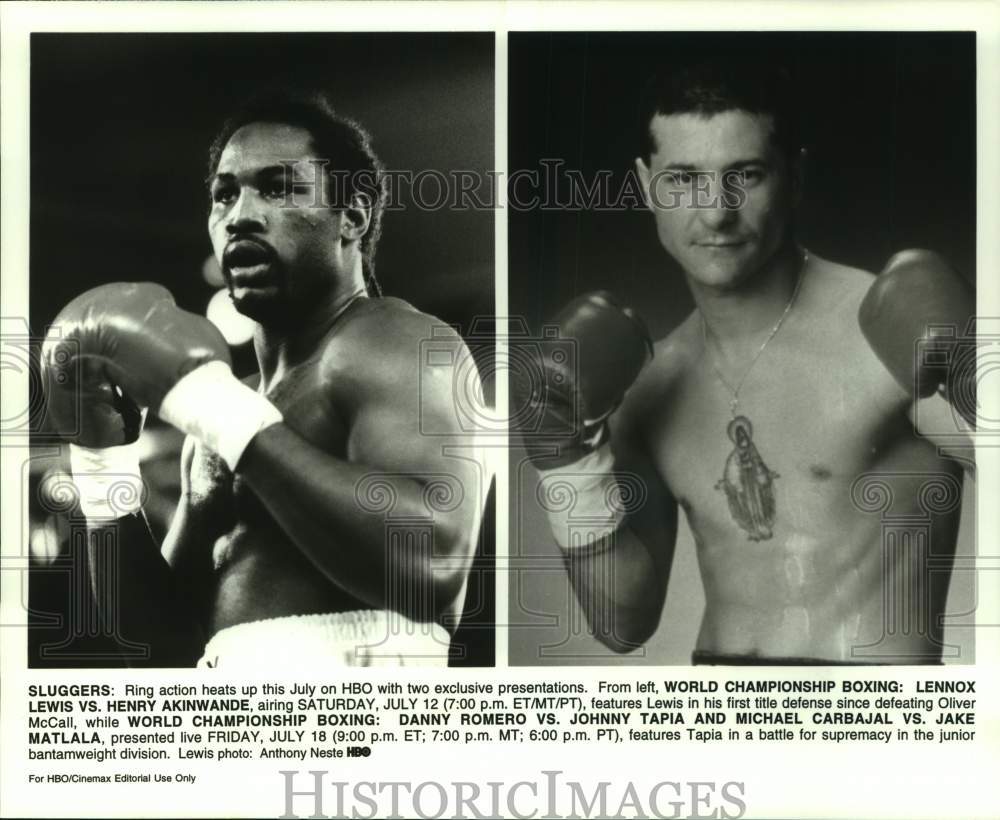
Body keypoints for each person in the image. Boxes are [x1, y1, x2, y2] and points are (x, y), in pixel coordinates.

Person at [526, 59, 976, 665]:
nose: (715, 211)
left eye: (745, 175)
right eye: (683, 180)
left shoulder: (885, 337)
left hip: (872, 731)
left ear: (794, 176)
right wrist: (564, 463)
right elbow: (622, 622)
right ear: (644, 186)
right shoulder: (650, 385)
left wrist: (978, 373)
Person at [41, 91, 485, 669]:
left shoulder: (394, 343)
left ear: (353, 216)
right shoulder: (220, 414)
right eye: (224, 194)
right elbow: (160, 651)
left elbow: (430, 570)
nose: (241, 214)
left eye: (278, 187)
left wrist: (215, 407)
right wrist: (100, 464)